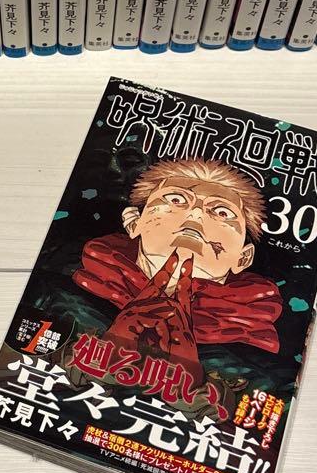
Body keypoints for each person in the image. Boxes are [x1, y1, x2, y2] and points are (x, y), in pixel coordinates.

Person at [73, 158, 282, 389]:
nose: (196, 215)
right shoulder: (63, 297)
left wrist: (191, 382)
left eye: (222, 212)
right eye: (176, 200)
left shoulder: (262, 365)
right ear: (133, 222)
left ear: (243, 258)